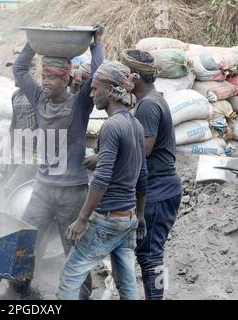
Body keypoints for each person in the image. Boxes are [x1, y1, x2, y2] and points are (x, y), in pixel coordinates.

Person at [12, 24, 105, 299]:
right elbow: (19, 71)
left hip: (72, 192)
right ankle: (20, 291)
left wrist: (96, 44)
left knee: (75, 251)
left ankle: (83, 297)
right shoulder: (39, 99)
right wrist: (32, 43)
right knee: (26, 241)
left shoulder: (78, 105)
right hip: (42, 189)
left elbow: (97, 75)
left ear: (64, 80)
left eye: (51, 78)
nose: (44, 82)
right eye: (43, 77)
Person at [58, 61, 148, 300]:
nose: (91, 93)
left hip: (107, 219)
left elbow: (102, 178)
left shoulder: (111, 126)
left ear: (110, 90)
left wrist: (81, 219)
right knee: (127, 281)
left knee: (70, 275)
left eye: (95, 88)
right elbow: (142, 174)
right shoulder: (135, 124)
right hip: (127, 217)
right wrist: (139, 215)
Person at [121, 49, 183, 300]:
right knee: (149, 253)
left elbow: (143, 149)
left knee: (151, 255)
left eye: (124, 74)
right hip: (160, 188)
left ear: (135, 77)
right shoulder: (151, 100)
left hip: (159, 189)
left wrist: (107, 158)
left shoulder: (148, 105)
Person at [4, 48, 39, 197]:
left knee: (11, 189)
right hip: (19, 153)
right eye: (13, 69)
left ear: (31, 70)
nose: (14, 73)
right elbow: (14, 127)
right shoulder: (16, 96)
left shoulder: (40, 93)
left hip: (36, 155)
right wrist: (9, 154)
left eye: (17, 69)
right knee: (14, 190)